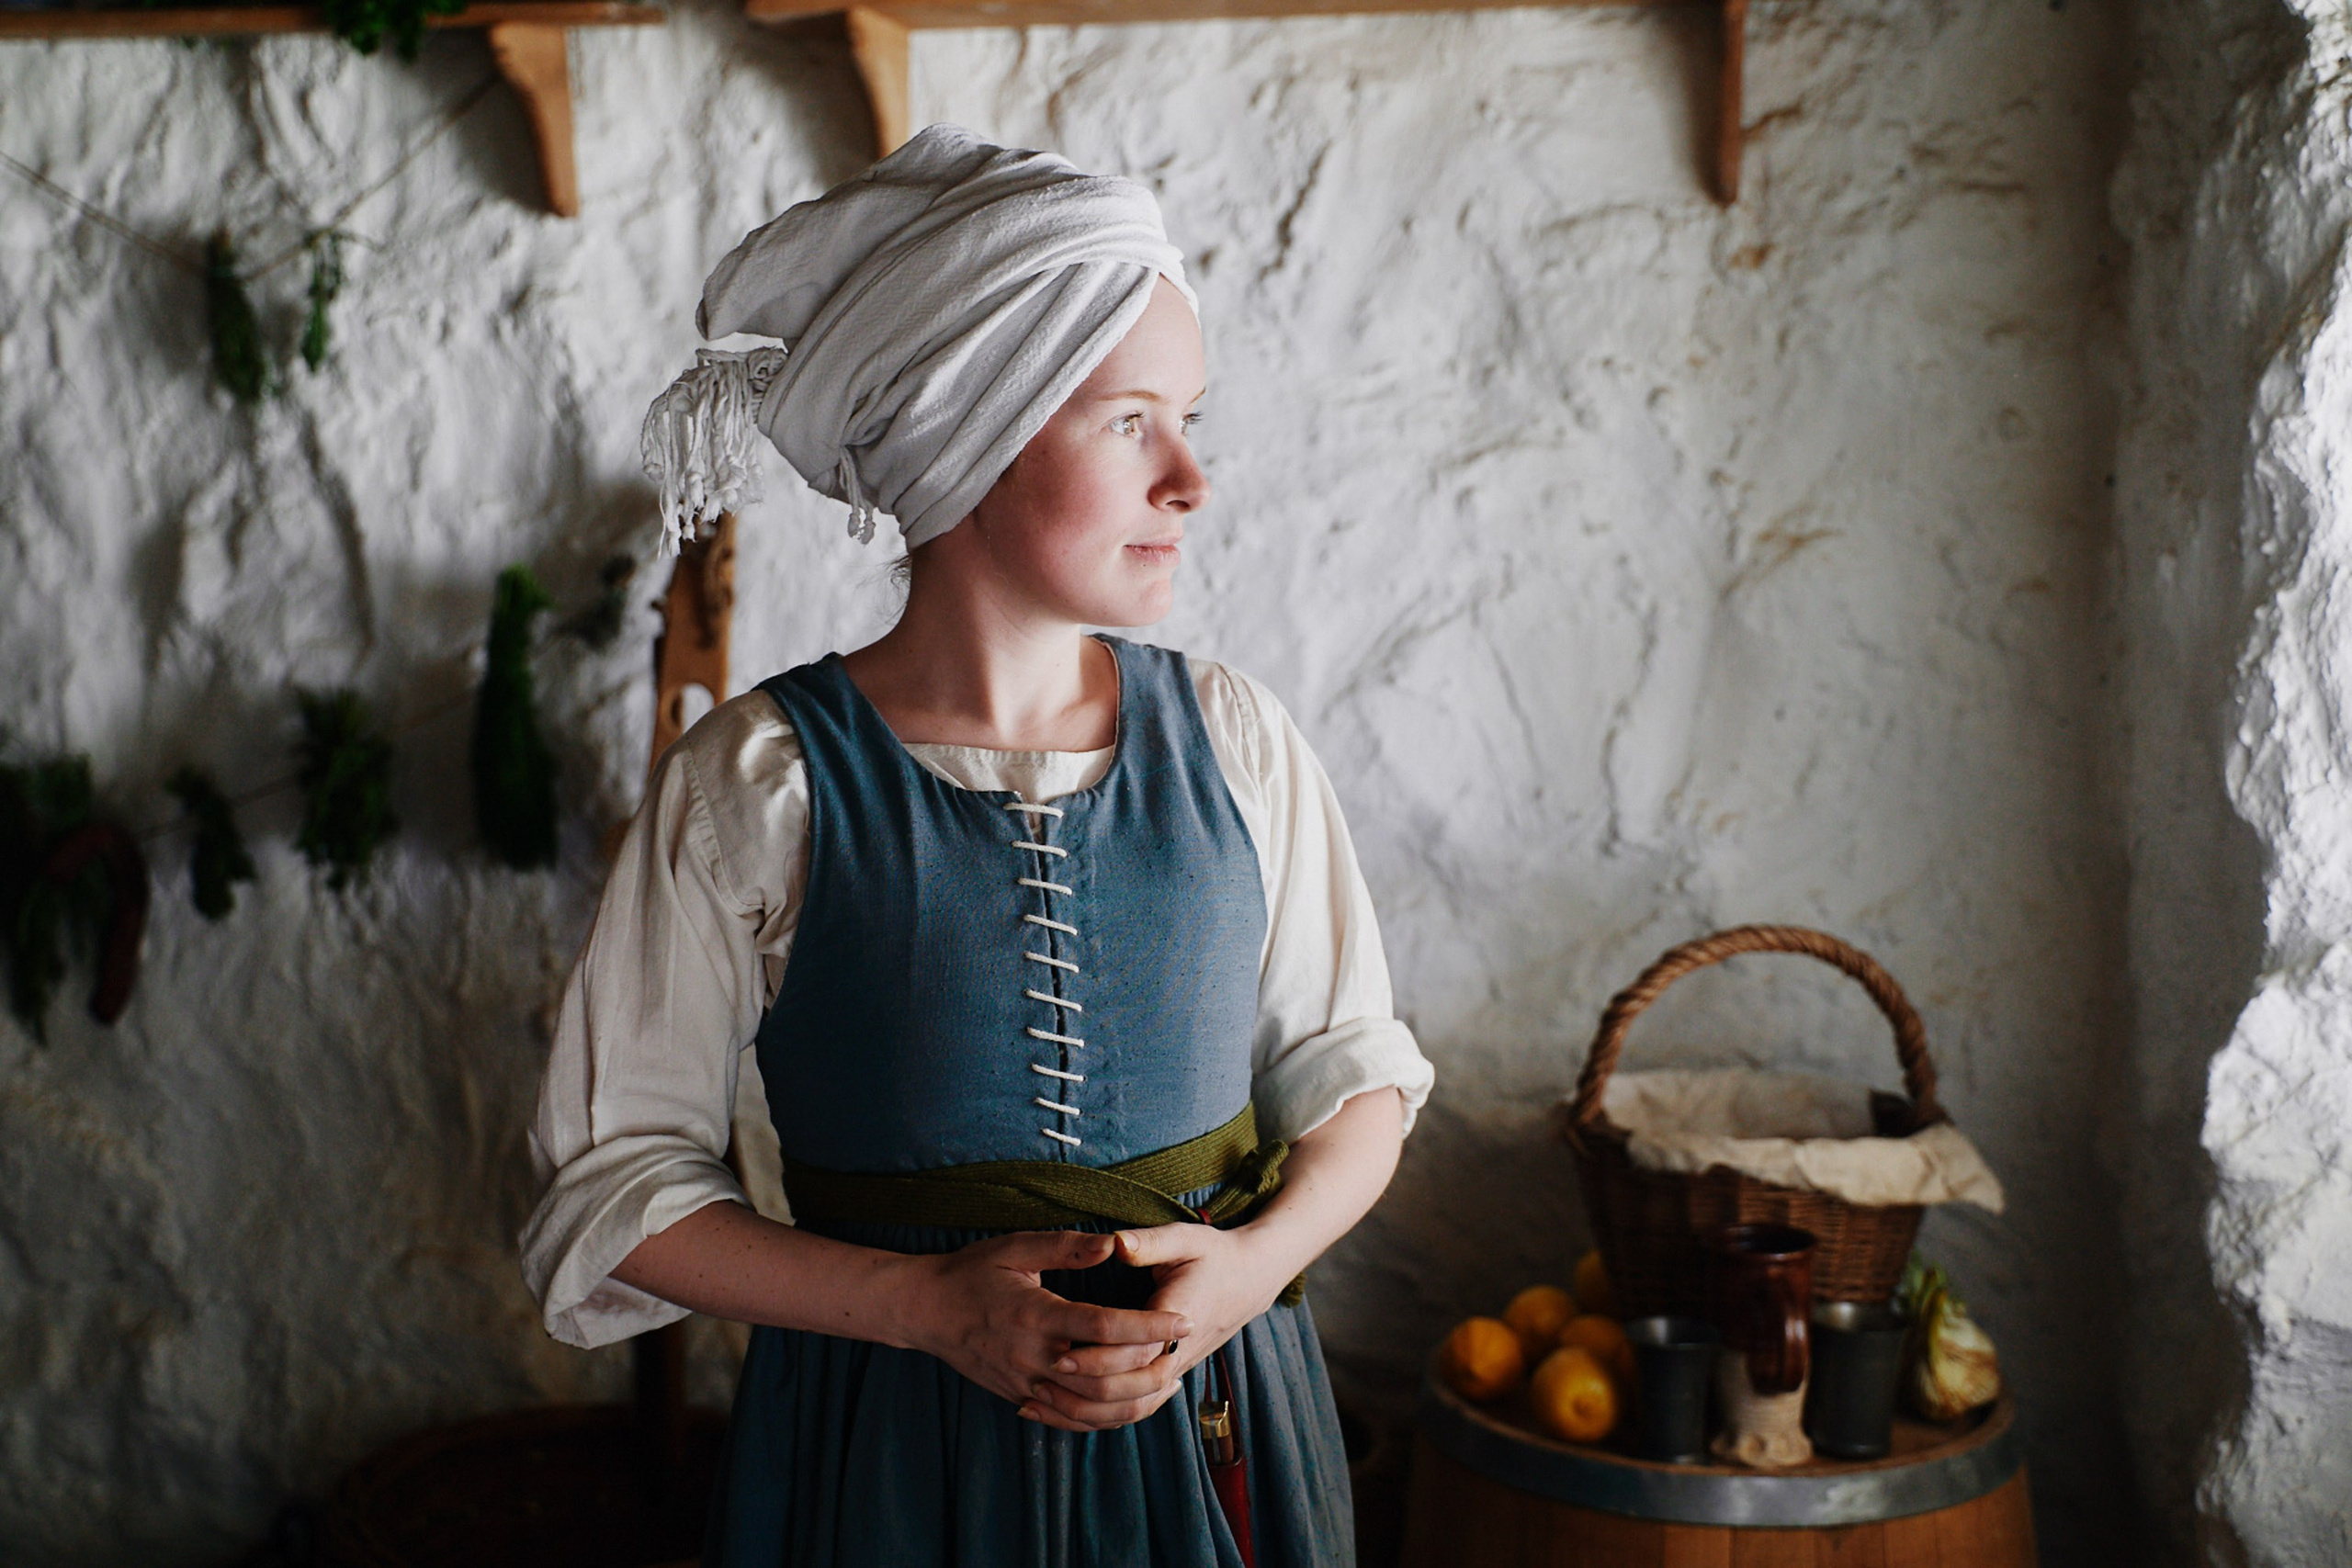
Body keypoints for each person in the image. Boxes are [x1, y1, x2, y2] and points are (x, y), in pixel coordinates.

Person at [521, 125, 1435, 1568]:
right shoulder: (756, 786)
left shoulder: (1238, 744)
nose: (1189, 477)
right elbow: (614, 1189)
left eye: (1188, 418)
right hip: (886, 1456)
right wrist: (930, 1310)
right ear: (972, 428)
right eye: (1131, 420)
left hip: (1216, 1434)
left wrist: (1244, 1277)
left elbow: (1357, 1082)